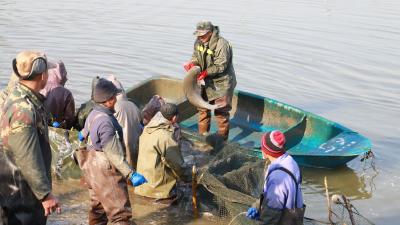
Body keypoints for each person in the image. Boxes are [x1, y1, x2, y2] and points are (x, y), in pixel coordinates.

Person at [0, 51, 61, 225]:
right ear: (43, 75)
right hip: (21, 192)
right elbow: (28, 156)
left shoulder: (17, 95)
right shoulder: (24, 109)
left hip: (14, 185)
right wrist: (45, 194)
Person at [78, 78, 147, 225]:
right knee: (120, 214)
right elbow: (113, 154)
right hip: (104, 170)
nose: (116, 99)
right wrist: (131, 173)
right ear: (108, 100)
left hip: (91, 168)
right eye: (115, 97)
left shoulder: (93, 113)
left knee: (98, 210)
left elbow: (83, 134)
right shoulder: (106, 122)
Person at [184, 20, 236, 140]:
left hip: (221, 83)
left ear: (211, 32)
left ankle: (222, 142)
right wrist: (192, 64)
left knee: (221, 114)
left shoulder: (222, 44)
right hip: (204, 81)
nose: (200, 37)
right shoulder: (198, 41)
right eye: (198, 35)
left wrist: (206, 72)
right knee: (203, 110)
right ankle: (203, 138)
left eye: (203, 35)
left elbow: (221, 66)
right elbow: (195, 56)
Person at [246, 130, 305, 225]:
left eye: (262, 147)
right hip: (295, 217)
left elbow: (271, 215)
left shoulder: (277, 179)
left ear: (265, 152)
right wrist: (257, 206)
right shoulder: (290, 161)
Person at [134, 103, 188, 202]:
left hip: (141, 186)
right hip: (158, 190)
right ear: (174, 118)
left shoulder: (146, 129)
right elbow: (176, 164)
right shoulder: (165, 136)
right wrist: (188, 177)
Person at [107, 74, 142, 169]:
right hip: (136, 141)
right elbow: (140, 123)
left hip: (124, 141)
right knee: (133, 163)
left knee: (125, 166)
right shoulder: (133, 105)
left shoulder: (115, 106)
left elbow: (114, 127)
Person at [40, 61, 75, 129]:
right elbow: (70, 119)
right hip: (56, 129)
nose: (67, 78)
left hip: (39, 127)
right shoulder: (66, 93)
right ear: (62, 75)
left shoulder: (39, 86)